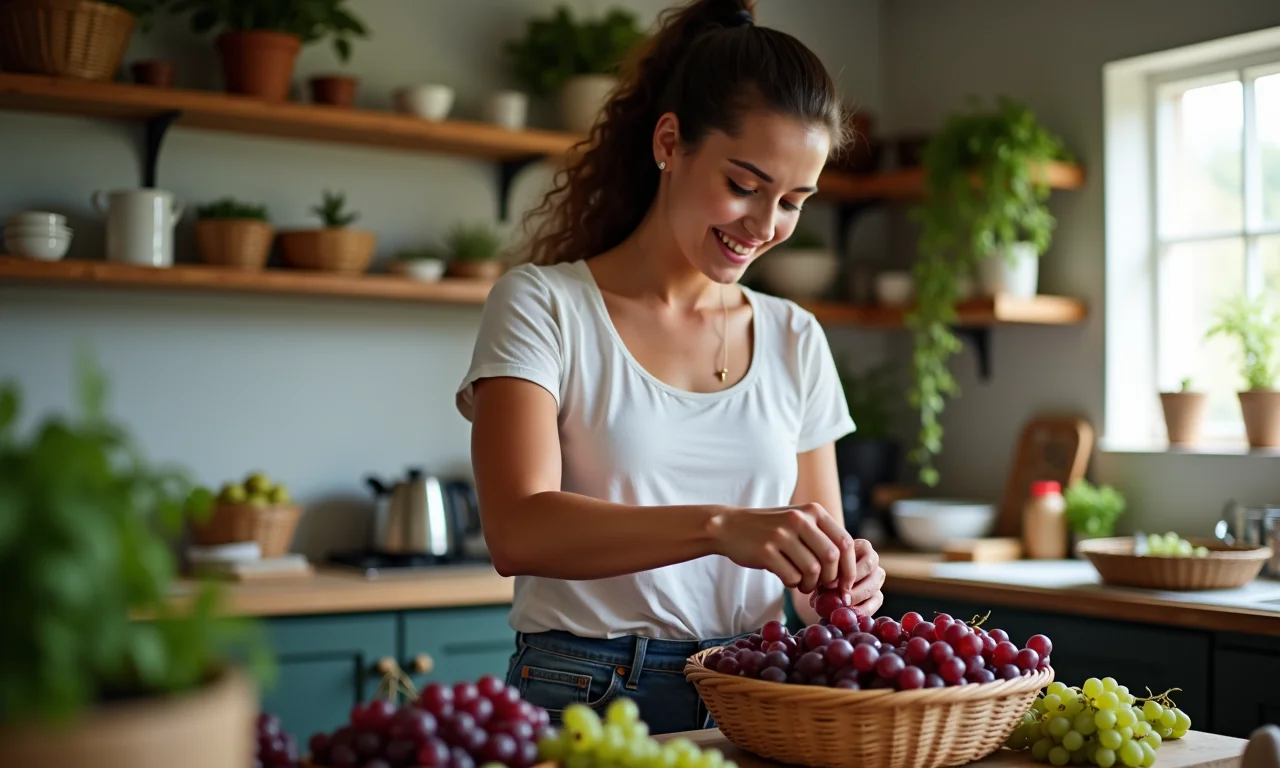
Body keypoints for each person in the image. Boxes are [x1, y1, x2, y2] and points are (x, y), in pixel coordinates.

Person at [454, 0, 885, 735]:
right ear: (669, 142)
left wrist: (845, 578)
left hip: (756, 690)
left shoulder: (794, 336)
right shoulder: (542, 306)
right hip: (584, 692)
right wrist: (722, 527)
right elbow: (518, 530)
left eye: (793, 201)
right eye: (745, 184)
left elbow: (815, 576)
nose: (764, 226)